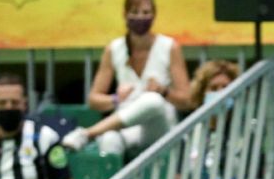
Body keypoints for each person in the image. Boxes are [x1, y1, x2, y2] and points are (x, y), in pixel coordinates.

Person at [65, 0, 191, 156]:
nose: (140, 17)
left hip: (160, 127)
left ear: (154, 15)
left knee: (153, 100)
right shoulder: (114, 49)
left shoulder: (170, 47)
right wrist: (116, 99)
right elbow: (94, 100)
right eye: (135, 12)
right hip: (127, 126)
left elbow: (187, 100)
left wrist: (164, 91)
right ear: (125, 15)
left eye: (146, 12)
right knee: (110, 138)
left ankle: (88, 133)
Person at [66, 59, 238, 153]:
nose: (221, 93)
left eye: (226, 88)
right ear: (202, 91)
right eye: (214, 88)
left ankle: (88, 134)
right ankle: (87, 134)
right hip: (170, 155)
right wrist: (117, 99)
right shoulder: (188, 118)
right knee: (151, 101)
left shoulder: (244, 128)